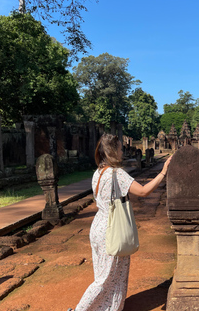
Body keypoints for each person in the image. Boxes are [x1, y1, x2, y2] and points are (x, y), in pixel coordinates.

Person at [71, 133, 172, 311]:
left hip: (98, 226)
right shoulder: (116, 174)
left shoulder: (98, 172)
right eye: (119, 149)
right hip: (111, 229)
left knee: (109, 275)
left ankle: (110, 307)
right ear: (112, 151)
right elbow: (143, 191)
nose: (122, 152)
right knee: (104, 279)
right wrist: (163, 172)